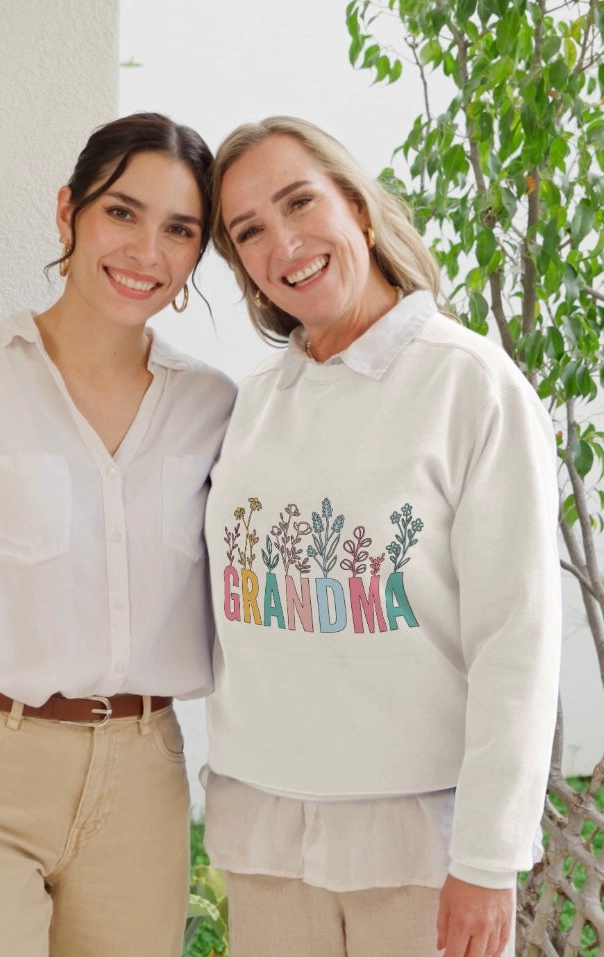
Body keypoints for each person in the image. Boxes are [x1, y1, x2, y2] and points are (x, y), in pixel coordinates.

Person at [0, 111, 236, 957]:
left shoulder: (214, 407)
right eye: (122, 212)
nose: (147, 251)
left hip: (146, 776)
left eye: (180, 229)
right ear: (68, 208)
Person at [202, 116, 560, 957]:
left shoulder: (469, 385)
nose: (282, 242)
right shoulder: (256, 403)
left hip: (420, 850)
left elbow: (519, 636)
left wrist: (488, 857)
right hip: (266, 837)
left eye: (299, 202)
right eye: (248, 230)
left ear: (358, 208)